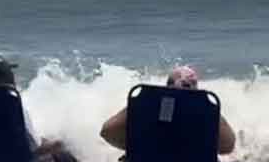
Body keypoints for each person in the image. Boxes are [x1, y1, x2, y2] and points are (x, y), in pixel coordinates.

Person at [0, 55, 86, 162]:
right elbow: (30, 152)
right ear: (5, 76)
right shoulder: (10, 104)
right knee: (62, 146)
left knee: (47, 140)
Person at [99, 65, 236, 154]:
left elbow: (107, 132)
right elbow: (228, 147)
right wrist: (211, 110)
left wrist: (137, 106)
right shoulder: (205, 112)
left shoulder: (145, 107)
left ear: (167, 86)